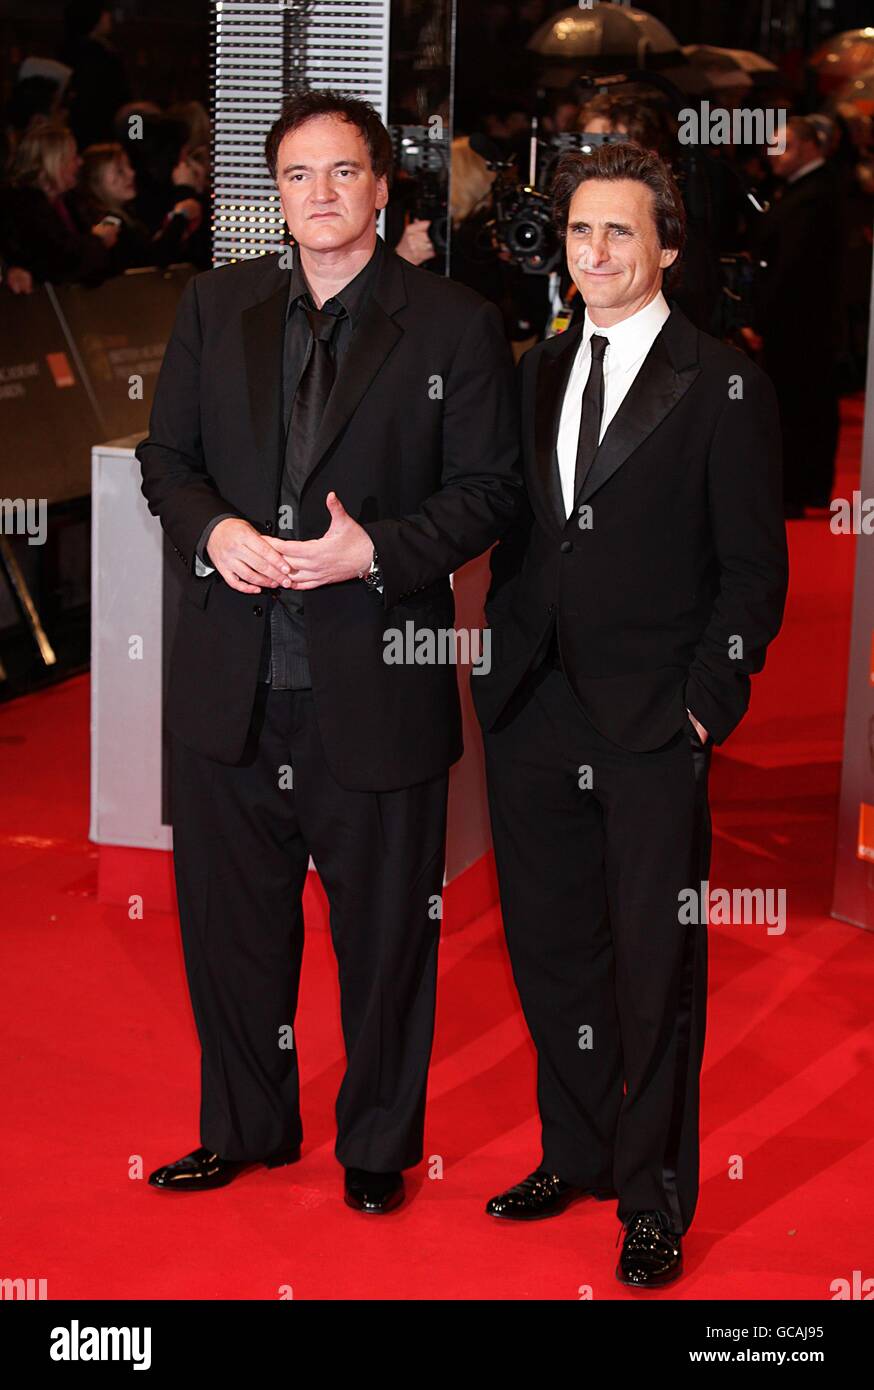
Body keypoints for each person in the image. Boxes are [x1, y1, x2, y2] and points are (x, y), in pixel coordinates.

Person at [137, 89, 520, 1215]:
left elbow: (492, 490)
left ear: (382, 184)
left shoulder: (451, 323)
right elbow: (168, 458)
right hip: (231, 684)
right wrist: (215, 530)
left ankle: (377, 1144)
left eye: (342, 173)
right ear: (276, 195)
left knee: (386, 936)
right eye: (297, 177)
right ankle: (245, 1124)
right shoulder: (216, 307)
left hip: (374, 673)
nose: (319, 195)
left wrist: (376, 552)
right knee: (231, 929)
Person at [472, 142, 788, 1286]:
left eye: (617, 232)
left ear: (665, 247)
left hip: (654, 719)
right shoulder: (540, 368)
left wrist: (707, 703)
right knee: (552, 950)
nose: (592, 253)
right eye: (576, 232)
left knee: (655, 971)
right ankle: (577, 1149)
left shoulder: (724, 383)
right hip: (533, 705)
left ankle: (652, 1199)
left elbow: (755, 572)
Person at [750, 116, 844, 513]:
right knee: (803, 404)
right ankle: (801, 489)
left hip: (800, 323)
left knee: (799, 405)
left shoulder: (817, 195)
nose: (773, 156)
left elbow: (793, 267)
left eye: (783, 146)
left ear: (810, 146)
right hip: (802, 322)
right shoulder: (801, 191)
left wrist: (760, 319)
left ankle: (796, 490)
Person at [0, 119, 118, 285]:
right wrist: (98, 241)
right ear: (54, 162)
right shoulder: (24, 208)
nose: (80, 162)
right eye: (73, 157)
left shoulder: (71, 202)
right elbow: (58, 261)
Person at [74, 142, 201, 269]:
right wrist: (183, 206)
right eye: (119, 171)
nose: (131, 173)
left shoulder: (128, 215)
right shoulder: (110, 224)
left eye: (128, 166)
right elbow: (156, 260)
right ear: (96, 182)